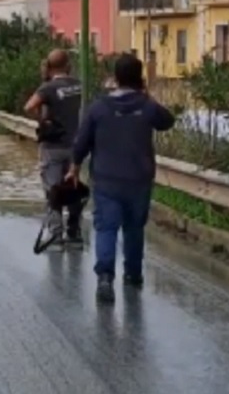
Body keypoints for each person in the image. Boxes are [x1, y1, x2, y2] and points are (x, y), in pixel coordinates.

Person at [66, 54, 176, 303]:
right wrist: (146, 95)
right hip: (139, 179)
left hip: (106, 179)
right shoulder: (147, 106)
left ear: (115, 78)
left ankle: (105, 278)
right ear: (140, 78)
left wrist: (74, 166)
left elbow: (81, 141)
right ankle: (133, 275)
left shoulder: (98, 108)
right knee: (134, 227)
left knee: (106, 227)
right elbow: (167, 121)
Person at [23, 49, 84, 246]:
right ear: (68, 65)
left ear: (49, 67)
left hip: (53, 146)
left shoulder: (48, 88)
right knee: (73, 188)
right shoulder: (79, 86)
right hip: (75, 146)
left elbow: (28, 107)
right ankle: (74, 233)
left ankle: (56, 235)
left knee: (53, 189)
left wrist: (44, 121)